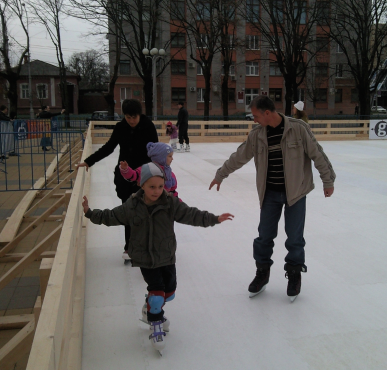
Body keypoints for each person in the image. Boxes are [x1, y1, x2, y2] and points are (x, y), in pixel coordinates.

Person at [82, 162, 233, 354]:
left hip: (166, 255)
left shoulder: (170, 203)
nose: (157, 191)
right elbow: (111, 216)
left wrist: (214, 218)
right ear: (142, 185)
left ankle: (150, 308)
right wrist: (89, 212)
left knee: (169, 292)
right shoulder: (133, 205)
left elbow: (191, 215)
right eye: (152, 186)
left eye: (160, 186)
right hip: (145, 258)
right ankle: (155, 323)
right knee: (157, 294)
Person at [208, 95, 335, 302]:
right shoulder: (257, 135)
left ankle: (294, 274)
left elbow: (317, 154)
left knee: (294, 238)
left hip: (296, 193)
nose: (254, 120)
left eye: (256, 116)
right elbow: (239, 156)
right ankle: (262, 272)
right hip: (270, 194)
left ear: (267, 113)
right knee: (264, 236)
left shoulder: (298, 128)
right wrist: (221, 174)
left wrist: (327, 181)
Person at [77, 99, 158, 261]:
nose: (132, 121)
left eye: (134, 117)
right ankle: (129, 247)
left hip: (144, 176)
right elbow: (109, 147)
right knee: (129, 211)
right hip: (125, 177)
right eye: (128, 117)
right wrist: (89, 161)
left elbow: (155, 151)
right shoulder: (121, 128)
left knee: (148, 212)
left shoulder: (148, 126)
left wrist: (157, 173)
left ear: (140, 115)